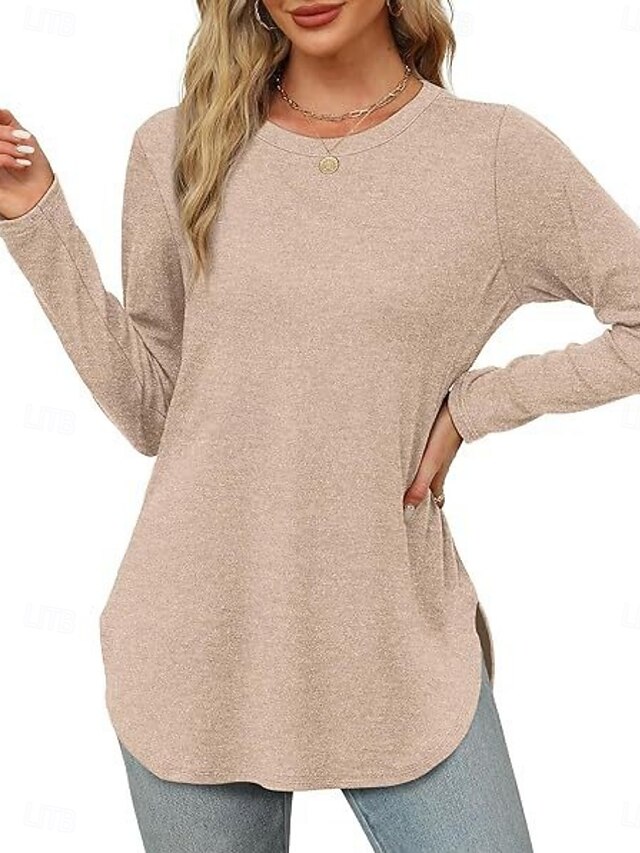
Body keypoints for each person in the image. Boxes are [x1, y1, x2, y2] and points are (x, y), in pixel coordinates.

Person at [1, 0, 638, 850]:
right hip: (196, 643)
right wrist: (35, 220)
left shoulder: (491, 155)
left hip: (393, 643)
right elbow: (155, 410)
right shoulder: (179, 145)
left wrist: (473, 408)